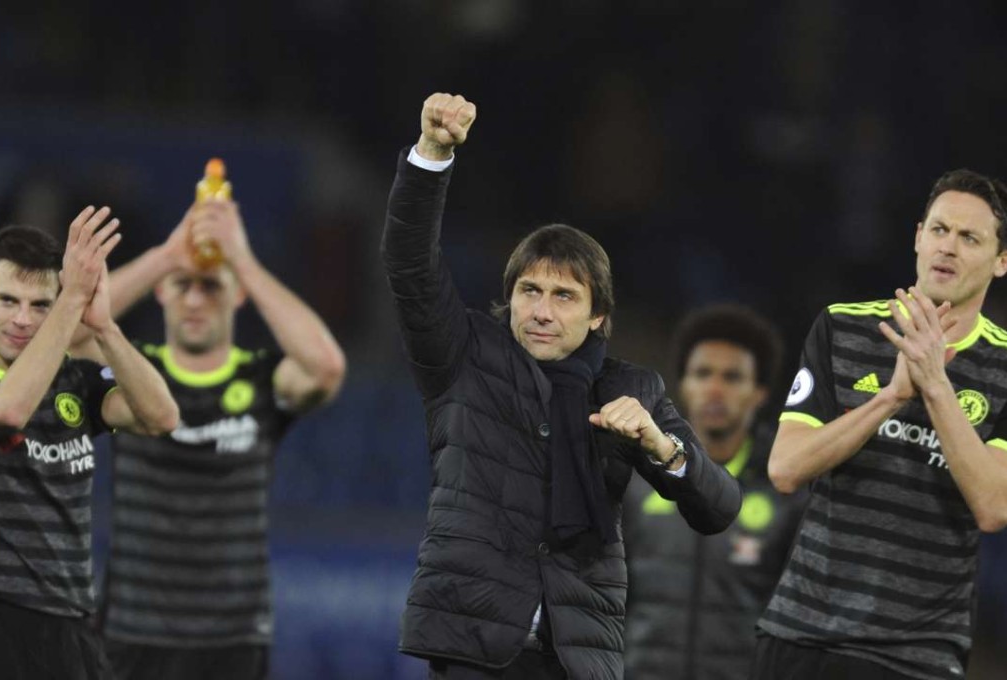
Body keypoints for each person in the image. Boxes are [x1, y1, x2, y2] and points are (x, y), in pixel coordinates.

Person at [381, 92, 741, 680]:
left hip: (574, 656)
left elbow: (720, 507)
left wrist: (661, 446)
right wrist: (431, 154)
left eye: (564, 296)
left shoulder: (632, 388)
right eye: (530, 291)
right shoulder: (465, 354)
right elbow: (408, 264)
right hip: (476, 646)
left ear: (598, 315)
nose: (542, 311)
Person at [753, 169, 1007, 680]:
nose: (948, 247)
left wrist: (935, 384)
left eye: (969, 238)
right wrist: (890, 398)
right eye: (938, 230)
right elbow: (785, 468)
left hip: (915, 655)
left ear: (1001, 261)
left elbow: (993, 506)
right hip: (800, 633)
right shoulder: (841, 326)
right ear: (917, 237)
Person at [78, 198, 346, 680]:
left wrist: (242, 260)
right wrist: (167, 255)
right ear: (162, 292)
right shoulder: (133, 369)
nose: (196, 299)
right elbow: (70, 333)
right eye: (183, 285)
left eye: (210, 285)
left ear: (236, 294)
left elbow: (325, 369)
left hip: (232, 635)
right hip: (132, 630)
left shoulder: (262, 377)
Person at [0, 207, 180, 680]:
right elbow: (6, 413)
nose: (22, 319)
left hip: (72, 622)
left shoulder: (72, 377)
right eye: (8, 300)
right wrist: (70, 299)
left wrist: (105, 329)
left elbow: (161, 416)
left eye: (40, 306)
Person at [622, 304, 807, 679]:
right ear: (683, 385)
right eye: (703, 373)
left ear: (759, 393)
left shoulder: (787, 486)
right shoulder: (636, 477)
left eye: (732, 377)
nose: (715, 389)